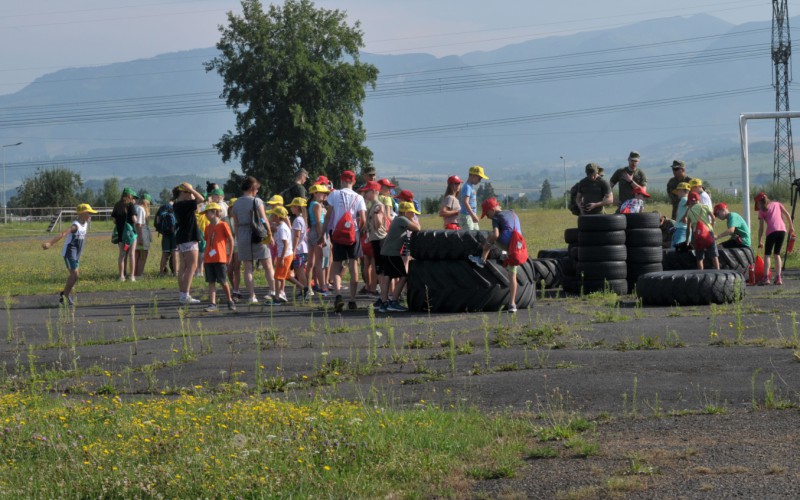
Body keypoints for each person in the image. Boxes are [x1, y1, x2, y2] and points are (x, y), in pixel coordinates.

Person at [467, 197, 526, 313]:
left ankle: (481, 259)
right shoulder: (512, 212)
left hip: (505, 242)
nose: (487, 217)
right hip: (518, 245)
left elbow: (496, 234)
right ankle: (512, 304)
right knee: (512, 276)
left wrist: (486, 245)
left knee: (490, 235)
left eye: (486, 214)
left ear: (491, 210)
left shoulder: (496, 217)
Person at [322, 170, 367, 312]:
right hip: (354, 234)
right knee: (354, 266)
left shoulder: (334, 194)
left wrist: (323, 233)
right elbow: (364, 220)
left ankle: (338, 295)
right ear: (353, 182)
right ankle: (352, 300)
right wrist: (359, 231)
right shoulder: (359, 198)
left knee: (336, 266)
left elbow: (328, 216)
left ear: (341, 180)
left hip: (337, 234)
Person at [41, 203, 99, 306]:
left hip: (76, 253)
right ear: (82, 214)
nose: (91, 215)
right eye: (89, 213)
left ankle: (65, 294)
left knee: (75, 276)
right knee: (75, 274)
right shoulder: (75, 226)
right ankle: (64, 297)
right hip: (69, 252)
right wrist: (50, 243)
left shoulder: (85, 224)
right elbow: (63, 234)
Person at [231, 176, 276, 304]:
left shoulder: (236, 203)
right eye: (256, 189)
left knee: (248, 267)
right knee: (267, 264)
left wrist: (239, 238)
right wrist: (270, 235)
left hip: (243, 233)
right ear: (252, 188)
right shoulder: (257, 201)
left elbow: (236, 223)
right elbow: (264, 219)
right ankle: (272, 291)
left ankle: (252, 296)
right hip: (258, 234)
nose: (257, 191)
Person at [377, 201, 421, 313]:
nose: (414, 215)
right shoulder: (402, 219)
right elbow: (417, 229)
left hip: (386, 252)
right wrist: (414, 221)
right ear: (406, 212)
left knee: (388, 277)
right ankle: (394, 302)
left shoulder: (397, 219)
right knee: (404, 276)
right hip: (392, 253)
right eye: (412, 213)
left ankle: (384, 303)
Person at [200, 202, 236, 312]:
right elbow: (208, 241)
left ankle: (230, 300)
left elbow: (230, 240)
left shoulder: (223, 225)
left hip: (220, 258)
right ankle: (212, 303)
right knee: (211, 282)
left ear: (215, 212)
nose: (205, 214)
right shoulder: (208, 227)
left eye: (207, 212)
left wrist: (229, 256)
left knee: (223, 281)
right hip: (209, 259)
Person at [173, 183, 204, 304]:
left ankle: (182, 294)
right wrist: (192, 190)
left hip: (181, 237)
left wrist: (190, 191)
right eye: (189, 193)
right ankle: (185, 294)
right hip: (189, 237)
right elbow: (201, 199)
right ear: (184, 192)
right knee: (192, 266)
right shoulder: (185, 204)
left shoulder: (177, 204)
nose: (192, 195)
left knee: (184, 267)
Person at [755, 191, 795, 285]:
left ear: (759, 203)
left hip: (771, 232)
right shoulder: (777, 204)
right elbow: (787, 214)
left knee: (767, 254)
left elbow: (761, 228)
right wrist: (791, 227)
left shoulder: (761, 211)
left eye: (757, 204)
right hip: (782, 230)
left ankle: (766, 278)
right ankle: (778, 278)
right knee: (777, 254)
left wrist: (760, 240)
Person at [361, 181, 386, 298]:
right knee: (379, 269)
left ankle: (384, 296)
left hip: (379, 239)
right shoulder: (372, 205)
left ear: (375, 192)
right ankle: (383, 295)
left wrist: (376, 214)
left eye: (368, 191)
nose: (366, 194)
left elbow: (378, 225)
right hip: (375, 239)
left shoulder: (378, 206)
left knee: (380, 270)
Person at [684, 192, 719, 270]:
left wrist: (687, 241)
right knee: (714, 255)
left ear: (689, 201)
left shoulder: (689, 211)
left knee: (699, 257)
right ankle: (718, 271)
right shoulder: (704, 207)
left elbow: (688, 228)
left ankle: (701, 273)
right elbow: (713, 217)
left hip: (697, 235)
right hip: (708, 233)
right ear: (698, 200)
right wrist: (711, 225)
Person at [111, 187, 138, 282]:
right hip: (130, 235)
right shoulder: (130, 205)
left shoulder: (117, 205)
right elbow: (134, 219)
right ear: (129, 196)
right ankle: (132, 276)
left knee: (122, 254)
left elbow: (114, 220)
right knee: (131, 254)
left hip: (121, 235)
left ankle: (121, 276)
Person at [287, 197, 311, 299]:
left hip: (299, 250)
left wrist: (293, 249)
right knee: (298, 271)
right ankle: (303, 290)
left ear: (296, 207)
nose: (291, 208)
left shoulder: (297, 220)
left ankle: (305, 291)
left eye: (292, 206)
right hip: (303, 249)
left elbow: (297, 236)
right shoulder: (302, 219)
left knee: (300, 271)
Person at [269, 205, 294, 303]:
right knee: (283, 276)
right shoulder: (281, 227)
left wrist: (282, 258)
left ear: (278, 217)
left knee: (277, 277)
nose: (272, 217)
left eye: (274, 215)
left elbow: (285, 244)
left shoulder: (282, 228)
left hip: (285, 255)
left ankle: (277, 298)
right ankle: (302, 288)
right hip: (285, 254)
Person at [458, 165, 488, 230]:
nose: (480, 181)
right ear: (473, 175)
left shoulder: (471, 186)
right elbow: (465, 202)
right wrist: (473, 215)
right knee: (469, 235)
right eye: (479, 178)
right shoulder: (467, 187)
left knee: (476, 234)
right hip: (466, 216)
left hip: (471, 215)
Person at [154, 198, 177, 276]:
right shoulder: (176, 207)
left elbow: (157, 221)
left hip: (165, 234)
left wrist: (161, 230)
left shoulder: (162, 208)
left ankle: (161, 272)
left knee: (165, 253)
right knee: (174, 253)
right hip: (174, 233)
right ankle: (175, 273)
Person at [134, 192, 153, 278]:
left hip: (135, 234)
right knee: (143, 255)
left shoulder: (135, 207)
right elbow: (139, 224)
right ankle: (139, 274)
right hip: (142, 234)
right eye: (149, 203)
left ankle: (134, 273)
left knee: (136, 255)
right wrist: (140, 238)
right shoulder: (141, 209)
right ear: (146, 202)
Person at [671, 182, 691, 248]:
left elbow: (691, 205)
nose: (677, 193)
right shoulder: (684, 200)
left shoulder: (684, 199)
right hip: (682, 229)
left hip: (681, 229)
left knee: (675, 250)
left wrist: (685, 216)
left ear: (682, 191)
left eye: (678, 191)